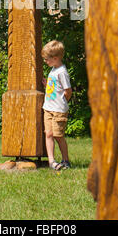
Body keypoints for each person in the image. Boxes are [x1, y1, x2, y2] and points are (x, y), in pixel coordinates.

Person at [42, 40, 72, 171]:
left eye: (46, 59)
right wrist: (47, 85)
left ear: (55, 58)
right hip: (48, 109)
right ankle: (51, 161)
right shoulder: (53, 70)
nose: (45, 61)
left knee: (58, 136)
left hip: (59, 110)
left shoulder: (62, 72)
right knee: (48, 134)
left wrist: (62, 102)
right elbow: (55, 88)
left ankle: (66, 160)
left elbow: (67, 91)